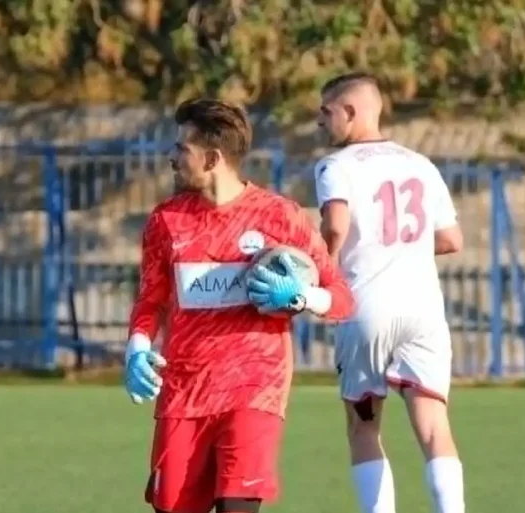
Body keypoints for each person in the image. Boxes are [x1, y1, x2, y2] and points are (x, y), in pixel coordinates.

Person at [124, 98, 355, 513]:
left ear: (212, 159)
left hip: (254, 389)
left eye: (182, 148)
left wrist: (301, 296)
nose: (171, 157)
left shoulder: (280, 217)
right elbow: (151, 299)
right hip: (184, 393)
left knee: (238, 507)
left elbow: (341, 299)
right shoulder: (166, 221)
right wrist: (137, 348)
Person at [313, 72, 466, 513]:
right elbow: (451, 239)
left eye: (326, 111)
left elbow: (335, 227)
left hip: (367, 309)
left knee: (364, 427)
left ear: (350, 111)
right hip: (424, 312)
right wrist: (400, 247)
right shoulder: (420, 164)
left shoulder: (335, 166)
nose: (320, 121)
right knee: (434, 425)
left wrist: (321, 274)